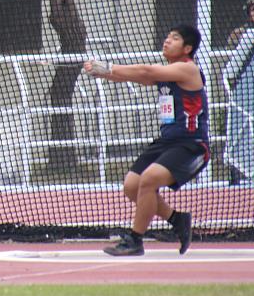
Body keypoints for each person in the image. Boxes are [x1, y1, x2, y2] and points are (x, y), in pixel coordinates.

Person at [84, 25, 210, 256]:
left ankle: (135, 240)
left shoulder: (187, 70)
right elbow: (136, 76)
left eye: (174, 38)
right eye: (167, 36)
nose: (167, 41)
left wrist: (107, 66)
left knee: (149, 179)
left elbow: (146, 71)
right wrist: (101, 72)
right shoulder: (168, 73)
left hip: (192, 144)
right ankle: (177, 219)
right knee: (132, 186)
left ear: (188, 48)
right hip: (167, 142)